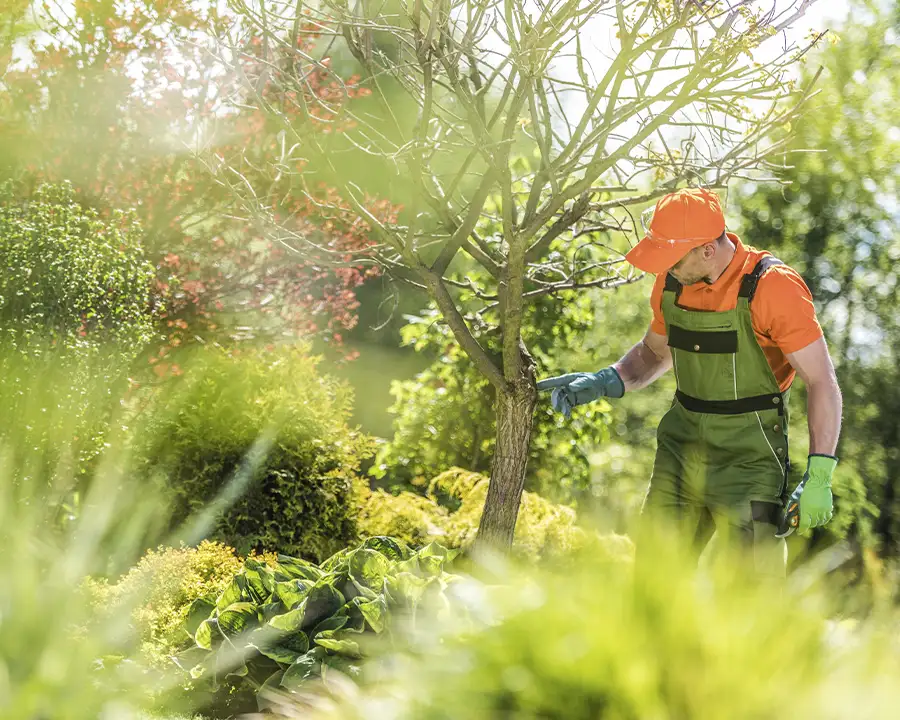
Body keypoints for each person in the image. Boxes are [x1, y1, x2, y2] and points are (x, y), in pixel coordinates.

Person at [537, 187, 843, 578]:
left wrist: (820, 473)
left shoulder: (772, 287)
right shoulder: (671, 283)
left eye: (672, 259)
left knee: (751, 588)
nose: (664, 270)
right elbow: (653, 353)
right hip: (680, 450)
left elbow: (821, 381)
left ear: (708, 250)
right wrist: (605, 380)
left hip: (749, 459)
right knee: (655, 580)